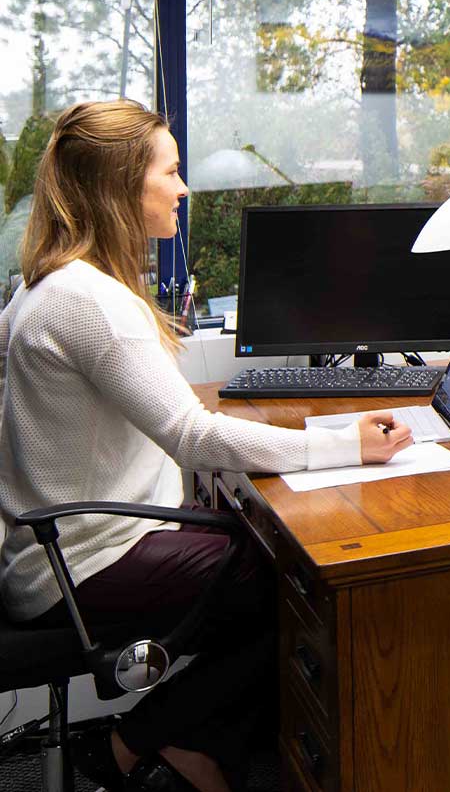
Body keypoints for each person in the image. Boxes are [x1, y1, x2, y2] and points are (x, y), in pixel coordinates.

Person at [0, 100, 415, 792]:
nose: (184, 189)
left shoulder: (48, 283)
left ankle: (192, 743)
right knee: (285, 582)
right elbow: (192, 437)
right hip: (79, 561)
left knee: (259, 559)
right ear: (121, 187)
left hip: (52, 547)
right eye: (171, 171)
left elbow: (149, 410)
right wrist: (346, 444)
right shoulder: (91, 301)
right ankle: (132, 743)